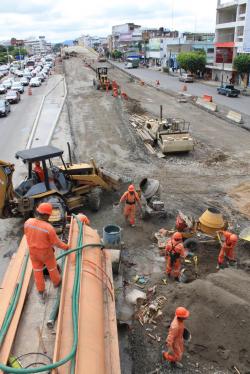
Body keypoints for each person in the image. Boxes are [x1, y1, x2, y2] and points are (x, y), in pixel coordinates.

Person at [24, 202, 69, 301]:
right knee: (52, 268)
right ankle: (56, 283)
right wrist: (67, 247)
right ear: (45, 215)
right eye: (49, 215)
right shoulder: (48, 228)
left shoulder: (28, 222)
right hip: (46, 253)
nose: (49, 217)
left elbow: (27, 235)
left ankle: (41, 290)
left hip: (33, 253)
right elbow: (57, 243)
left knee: (37, 271)